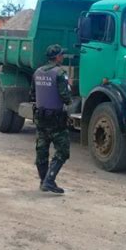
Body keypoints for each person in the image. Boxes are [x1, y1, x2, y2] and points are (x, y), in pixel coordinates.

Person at [31, 44, 72, 194]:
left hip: (41, 118)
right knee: (62, 150)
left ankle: (44, 181)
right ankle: (49, 180)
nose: (62, 57)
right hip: (56, 120)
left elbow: (32, 94)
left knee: (42, 150)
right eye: (61, 55)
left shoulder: (37, 72)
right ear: (57, 57)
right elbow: (65, 97)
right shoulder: (60, 73)